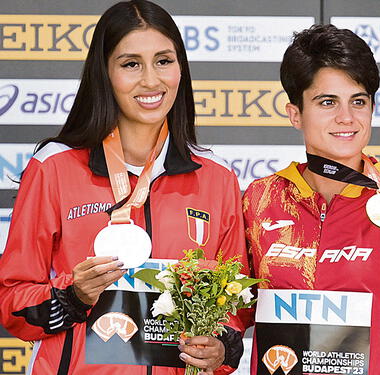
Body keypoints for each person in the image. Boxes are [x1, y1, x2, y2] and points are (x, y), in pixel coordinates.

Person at [0, 1, 247, 374]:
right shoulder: (54, 166)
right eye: (131, 64)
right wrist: (73, 296)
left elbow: (235, 306)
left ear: (181, 68)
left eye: (164, 61)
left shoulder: (216, 176)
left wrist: (221, 350)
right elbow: (12, 302)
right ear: (105, 72)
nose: (151, 80)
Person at [243, 24, 380, 375]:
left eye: (358, 101)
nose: (347, 118)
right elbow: (235, 312)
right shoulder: (261, 199)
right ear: (295, 113)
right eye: (327, 102)